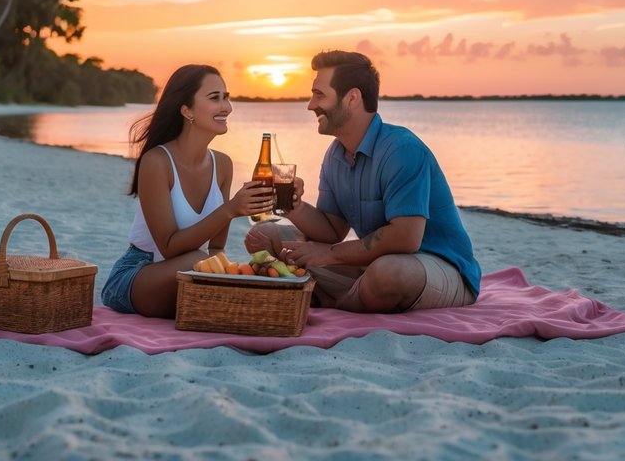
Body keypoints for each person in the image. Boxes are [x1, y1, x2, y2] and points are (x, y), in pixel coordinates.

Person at [245, 50, 482, 313]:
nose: (311, 105)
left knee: (387, 275)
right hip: (373, 263)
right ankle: (346, 296)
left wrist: (331, 254)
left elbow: (406, 238)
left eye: (319, 94)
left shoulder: (402, 149)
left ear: (352, 98)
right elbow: (332, 229)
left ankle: (331, 303)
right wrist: (294, 206)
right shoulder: (336, 154)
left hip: (438, 266)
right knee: (262, 237)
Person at [100, 64, 274, 318]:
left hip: (191, 270)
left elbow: (216, 250)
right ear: (187, 110)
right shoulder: (157, 162)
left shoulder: (223, 165)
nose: (227, 107)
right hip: (137, 274)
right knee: (195, 260)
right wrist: (231, 209)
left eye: (226, 97)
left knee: (229, 270)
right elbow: (169, 247)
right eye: (215, 98)